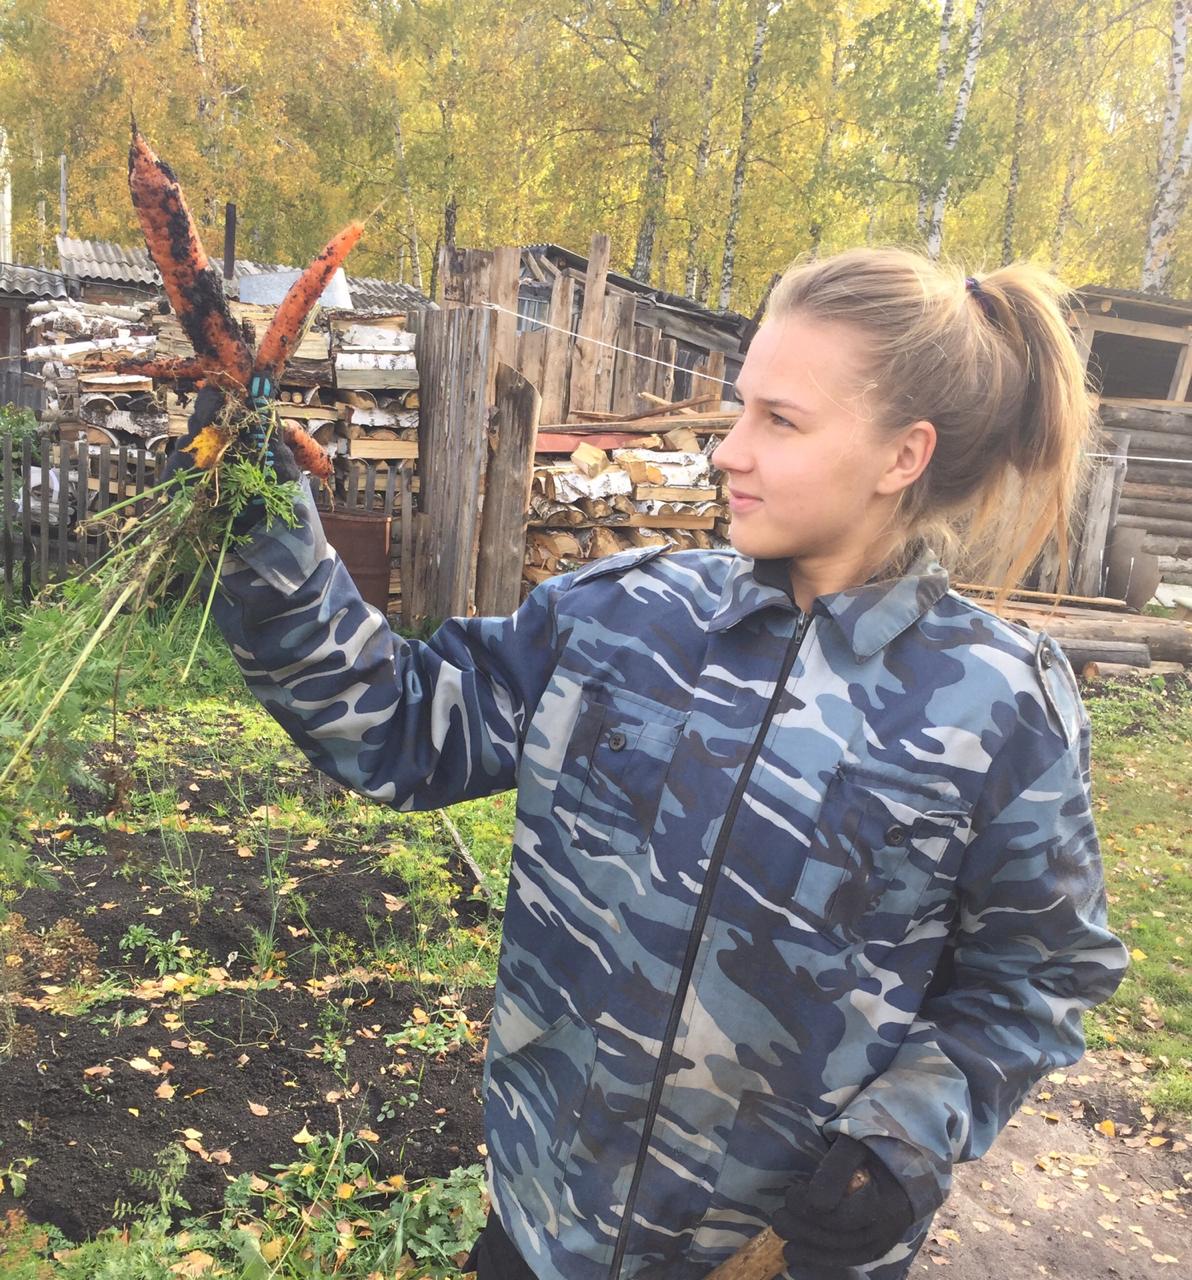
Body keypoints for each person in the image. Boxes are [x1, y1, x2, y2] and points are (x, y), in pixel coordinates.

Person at [197, 246, 1128, 1280]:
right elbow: (394, 724)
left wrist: (906, 1137)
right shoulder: (623, 619)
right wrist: (263, 519)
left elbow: (1038, 972)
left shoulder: (997, 707)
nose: (728, 451)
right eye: (739, 408)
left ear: (902, 456)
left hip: (775, 1258)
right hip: (546, 1225)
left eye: (780, 420)